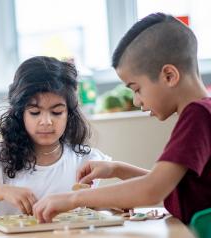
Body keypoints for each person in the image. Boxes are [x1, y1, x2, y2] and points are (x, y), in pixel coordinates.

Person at [33, 13, 211, 224]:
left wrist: (74, 198)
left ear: (169, 76)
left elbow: (154, 189)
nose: (137, 101)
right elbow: (170, 184)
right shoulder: (204, 111)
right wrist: (118, 169)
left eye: (137, 89)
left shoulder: (196, 115)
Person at [0, 56, 111, 215]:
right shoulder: (0, 158)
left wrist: (107, 205)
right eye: (35, 113)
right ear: (20, 113)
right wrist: (3, 191)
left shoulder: (83, 159)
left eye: (57, 112)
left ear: (69, 114)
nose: (46, 121)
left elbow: (91, 206)